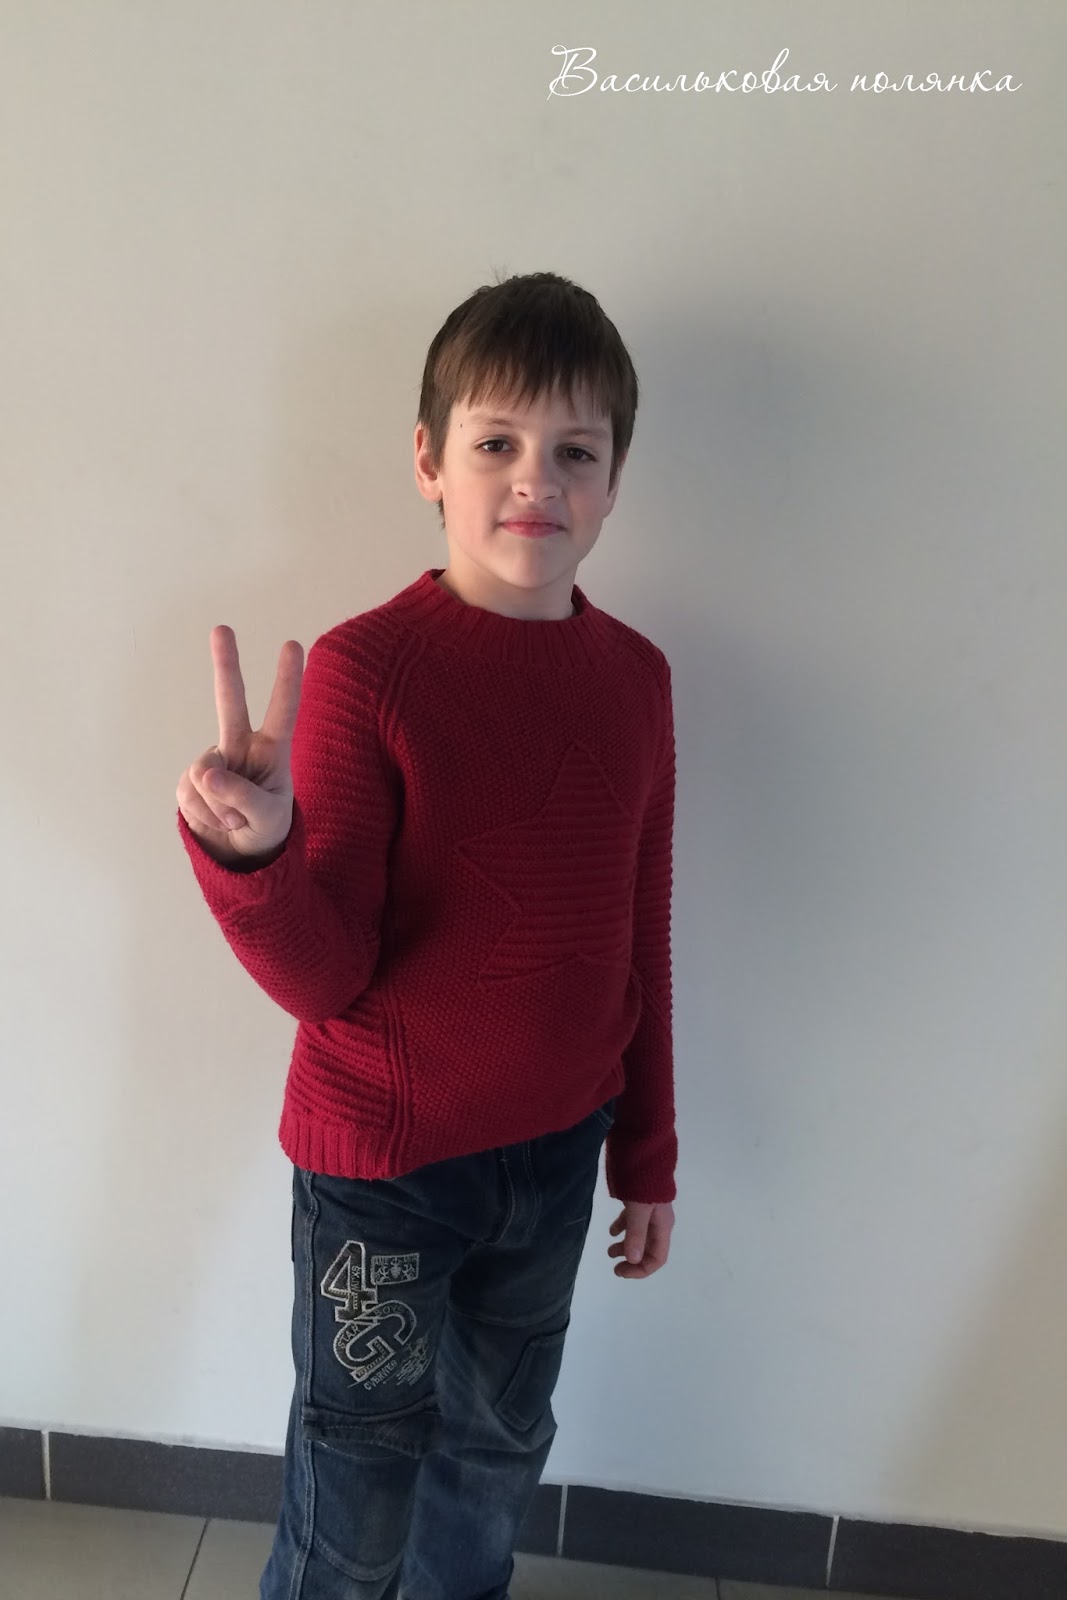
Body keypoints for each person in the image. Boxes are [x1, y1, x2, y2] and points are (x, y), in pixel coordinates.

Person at [175, 269, 677, 1600]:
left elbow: (641, 929)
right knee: (358, 1479)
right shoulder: (366, 672)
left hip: (556, 1157)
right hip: (386, 1175)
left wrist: (648, 1150)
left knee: (494, 1456)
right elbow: (327, 977)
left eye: (576, 452)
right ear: (429, 461)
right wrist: (258, 855)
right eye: (497, 442)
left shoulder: (638, 681)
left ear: (614, 482)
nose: (536, 481)